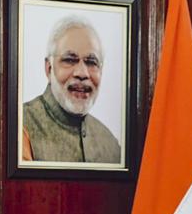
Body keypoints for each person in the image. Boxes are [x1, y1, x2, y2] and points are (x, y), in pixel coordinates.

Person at [21, 15, 121, 164]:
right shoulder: (21, 126)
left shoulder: (110, 144)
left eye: (91, 62)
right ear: (49, 69)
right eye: (69, 60)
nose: (82, 73)